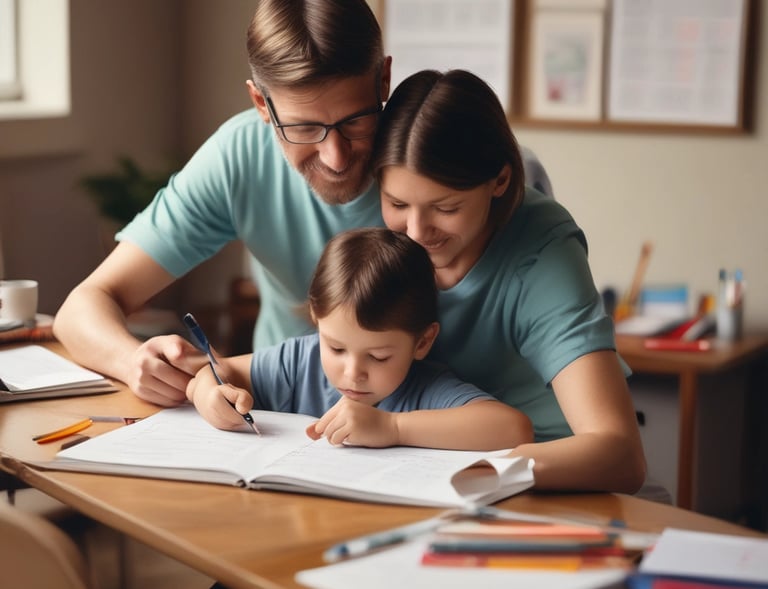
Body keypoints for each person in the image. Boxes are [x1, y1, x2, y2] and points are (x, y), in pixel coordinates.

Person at [53, 0, 391, 406]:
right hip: (279, 414)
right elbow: (82, 306)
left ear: (384, 80)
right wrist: (133, 363)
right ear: (261, 104)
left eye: (354, 121)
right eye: (304, 128)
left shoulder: (437, 153)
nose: (335, 157)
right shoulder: (240, 155)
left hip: (432, 423)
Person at [370, 69, 646, 493]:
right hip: (419, 470)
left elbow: (620, 453)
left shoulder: (541, 250)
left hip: (549, 478)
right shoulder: (381, 232)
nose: (417, 231)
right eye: (398, 203)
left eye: (445, 207)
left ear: (499, 179)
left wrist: (479, 470)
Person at [186, 228, 533, 451]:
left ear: (423, 342)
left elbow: (512, 429)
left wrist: (393, 427)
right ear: (316, 319)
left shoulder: (425, 389)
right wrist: (207, 393)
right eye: (335, 348)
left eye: (379, 356)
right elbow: (220, 369)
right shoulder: (298, 362)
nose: (353, 373)